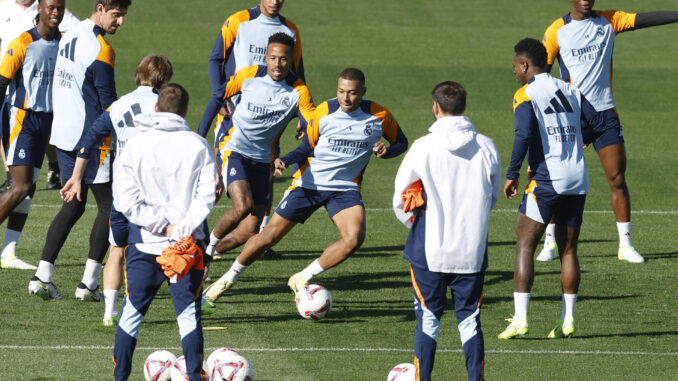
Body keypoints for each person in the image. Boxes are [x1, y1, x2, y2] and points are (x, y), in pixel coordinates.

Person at [204, 67, 408, 304]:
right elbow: (306, 147)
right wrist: (285, 160)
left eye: (352, 93)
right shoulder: (324, 111)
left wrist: (387, 151)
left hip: (345, 188)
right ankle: (227, 279)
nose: (346, 98)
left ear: (363, 91)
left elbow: (401, 142)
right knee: (268, 237)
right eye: (341, 91)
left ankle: (302, 277)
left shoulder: (379, 115)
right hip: (308, 184)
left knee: (354, 237)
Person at [537, 0, 678, 263]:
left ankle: (625, 245)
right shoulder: (557, 30)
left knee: (617, 178)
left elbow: (647, 18)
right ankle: (550, 243)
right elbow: (541, 75)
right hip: (572, 117)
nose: (586, 0)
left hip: (605, 116)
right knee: (558, 180)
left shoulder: (609, 21)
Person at [498, 38, 605, 340]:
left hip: (546, 178)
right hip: (577, 177)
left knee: (525, 244)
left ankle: (520, 320)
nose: (515, 73)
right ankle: (567, 320)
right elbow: (598, 122)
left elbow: (522, 134)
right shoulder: (571, 88)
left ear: (525, 65)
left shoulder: (526, 93)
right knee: (569, 249)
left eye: (515, 67)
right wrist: (577, 140)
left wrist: (511, 173)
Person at [393, 82, 500, 381]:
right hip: (472, 250)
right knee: (470, 321)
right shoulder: (487, 146)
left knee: (428, 320)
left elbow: (400, 198)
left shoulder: (423, 147)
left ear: (436, 107)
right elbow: (490, 197)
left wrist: (416, 226)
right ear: (464, 107)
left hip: (428, 251)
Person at [28, 0, 131, 301]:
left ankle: (43, 275)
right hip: (90, 140)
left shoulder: (70, 33)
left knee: (73, 205)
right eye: (117, 14)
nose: (120, 22)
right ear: (101, 8)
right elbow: (109, 105)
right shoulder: (103, 50)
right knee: (110, 208)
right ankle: (88, 284)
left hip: (62, 135)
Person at [201, 31, 314, 302]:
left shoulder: (298, 91)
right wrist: (198, 135)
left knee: (251, 230)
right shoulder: (249, 75)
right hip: (234, 149)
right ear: (266, 57)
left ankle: (204, 249)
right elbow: (218, 96)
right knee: (242, 206)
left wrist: (303, 127)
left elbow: (313, 125)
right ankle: (207, 253)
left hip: (263, 161)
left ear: (291, 62)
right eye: (273, 58)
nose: (278, 64)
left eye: (284, 59)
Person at [60, 55, 173, 325]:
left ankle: (109, 311)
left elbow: (89, 140)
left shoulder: (118, 106)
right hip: (151, 194)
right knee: (165, 249)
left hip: (122, 195)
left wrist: (76, 177)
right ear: (164, 79)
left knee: (116, 250)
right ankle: (188, 299)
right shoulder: (163, 107)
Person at [112, 84, 215, 381]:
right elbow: (207, 196)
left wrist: (162, 226)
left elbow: (127, 202)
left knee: (131, 315)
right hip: (186, 249)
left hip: (145, 247)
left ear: (156, 108)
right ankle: (194, 376)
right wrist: (181, 229)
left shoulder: (135, 146)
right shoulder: (198, 145)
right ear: (185, 111)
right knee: (187, 317)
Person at [200, 0, 305, 259]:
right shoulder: (239, 22)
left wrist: (302, 114)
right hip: (236, 117)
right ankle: (197, 241)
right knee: (218, 188)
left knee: (261, 189)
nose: (275, 1)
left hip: (272, 118)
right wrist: (221, 95)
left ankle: (256, 241)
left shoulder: (291, 30)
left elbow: (298, 72)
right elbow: (216, 58)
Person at [0, 0, 77, 270]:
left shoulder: (65, 44)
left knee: (28, 188)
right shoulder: (22, 43)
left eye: (60, 8)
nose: (55, 13)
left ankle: (7, 254)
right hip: (22, 119)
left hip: (45, 122)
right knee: (18, 186)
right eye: (51, 8)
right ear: (40, 11)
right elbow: (1, 84)